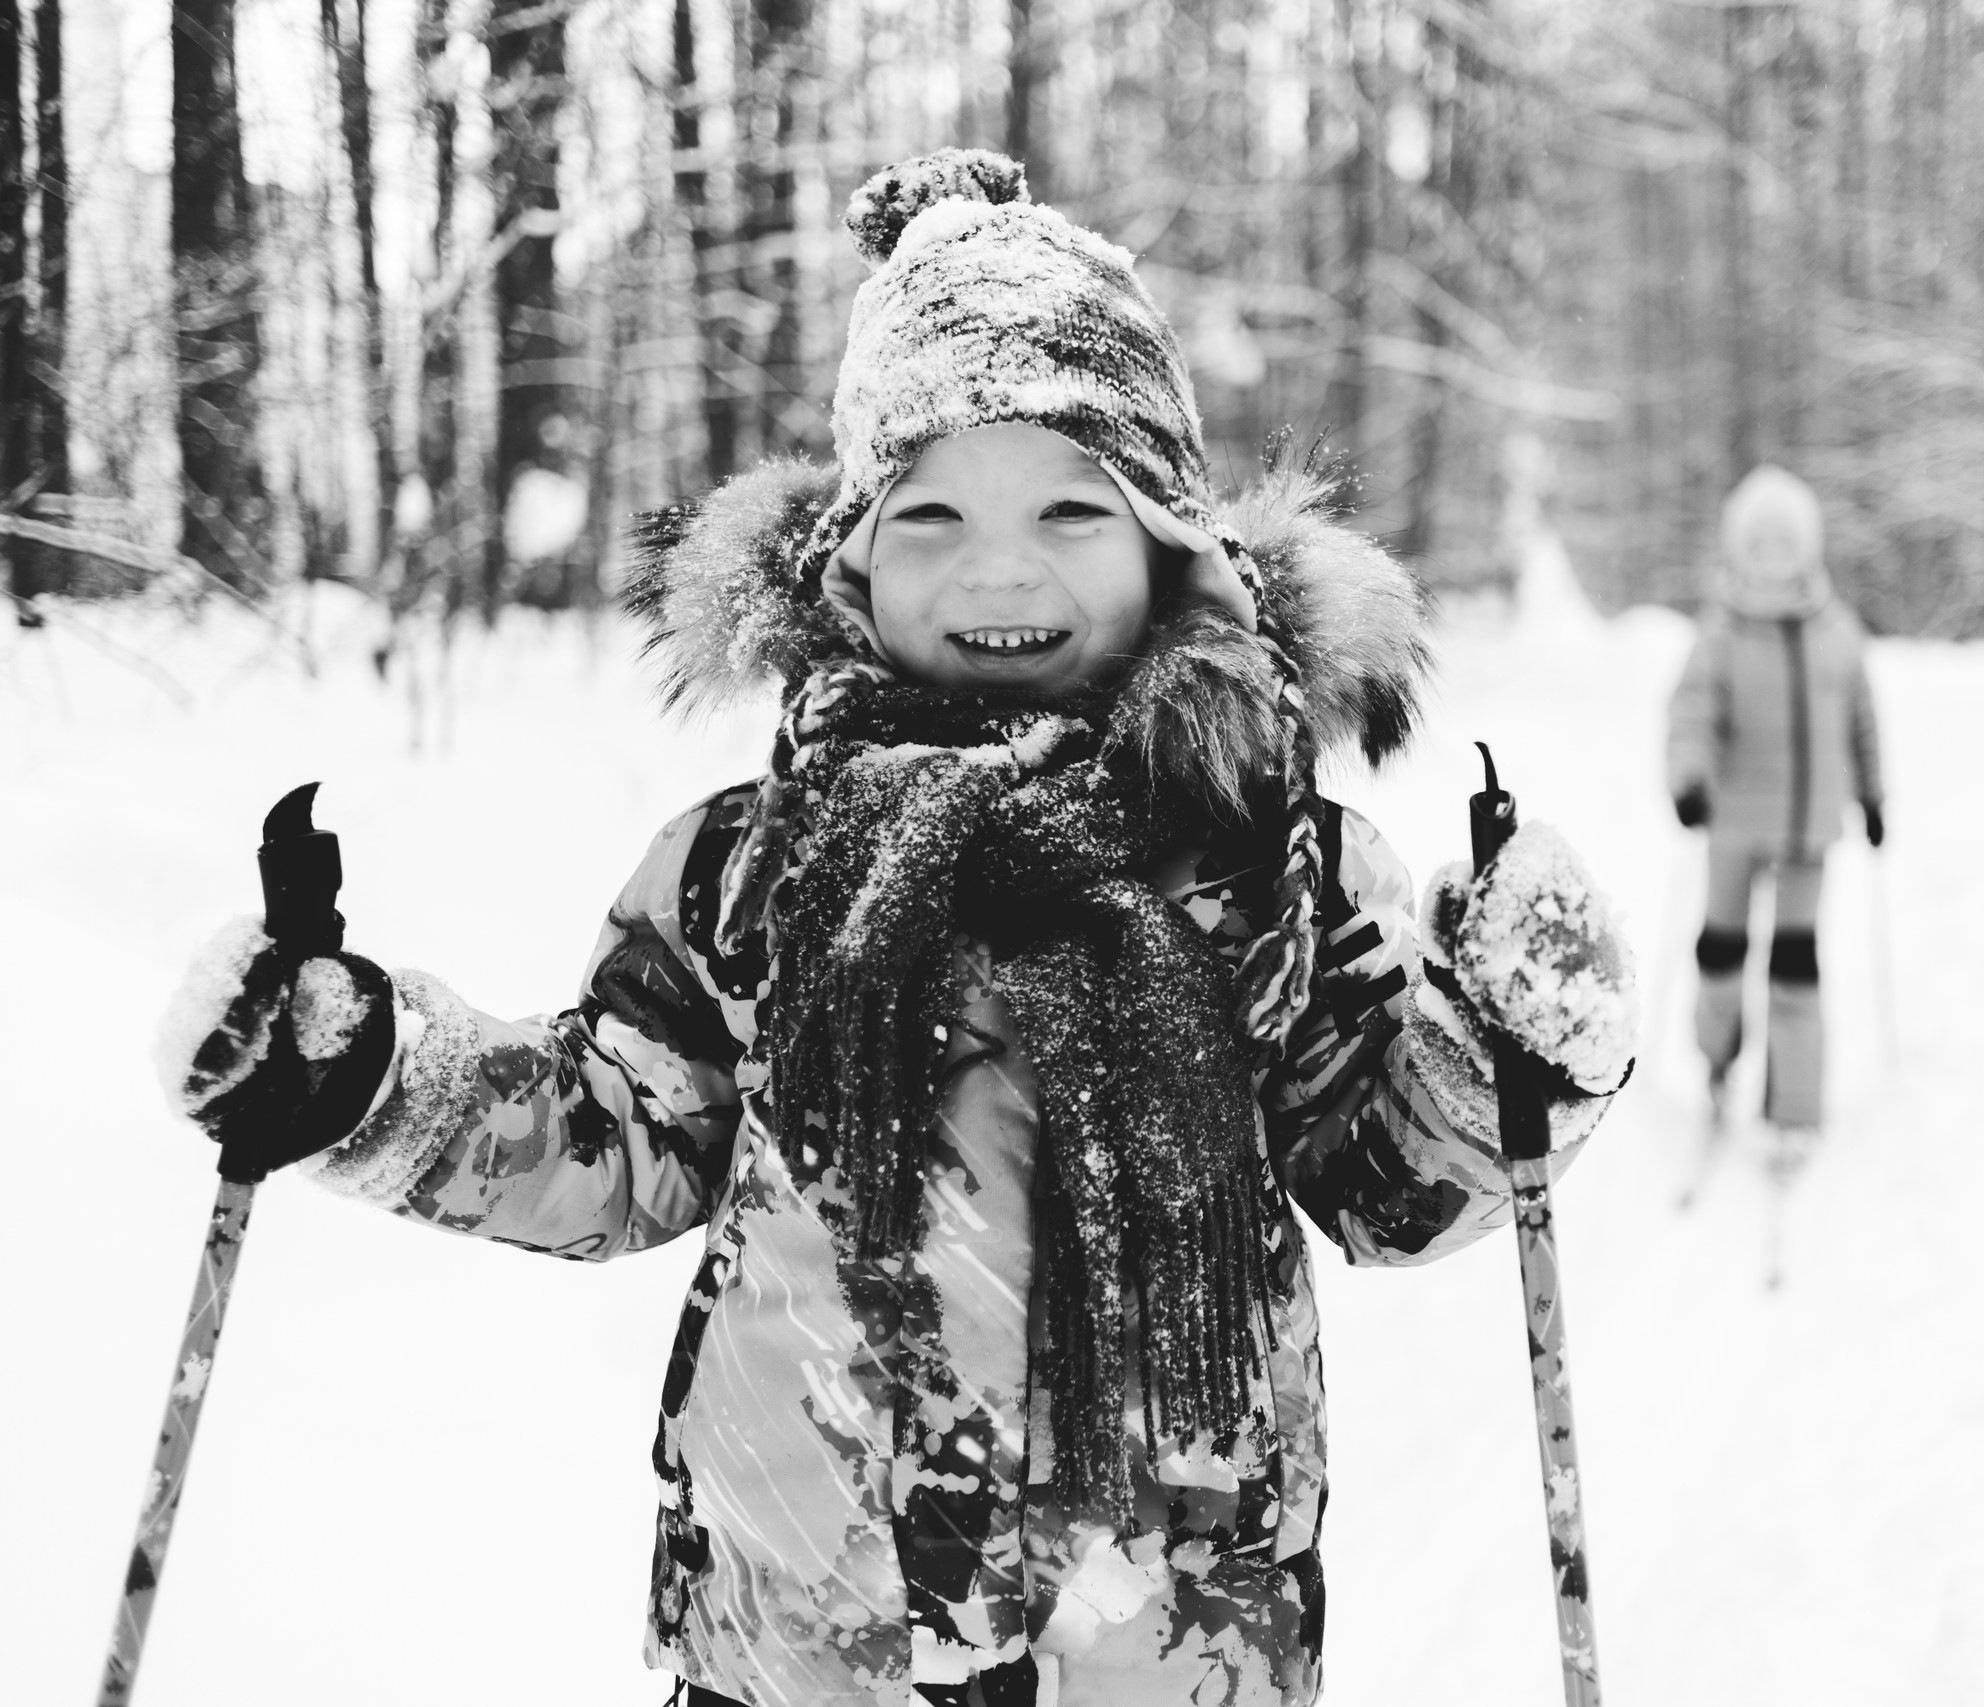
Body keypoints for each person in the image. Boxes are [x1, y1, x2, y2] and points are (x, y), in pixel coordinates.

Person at [155, 151, 1635, 1707]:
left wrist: (1499, 1063)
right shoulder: (752, 864)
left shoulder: (1279, 868)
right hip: (806, 1650)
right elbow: (617, 1134)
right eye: (930, 512)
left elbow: (1387, 1180)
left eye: (1073, 505)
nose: (999, 564)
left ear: (1172, 544)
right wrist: (372, 1078)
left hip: (1165, 1653)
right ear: (851, 557)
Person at [1664, 463, 1883, 1144]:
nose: (1770, 559)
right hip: (1732, 826)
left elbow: (1862, 722)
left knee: (1795, 969)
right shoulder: (1722, 634)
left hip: (1810, 832)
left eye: (1783, 545)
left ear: (1807, 549)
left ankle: (1794, 1109)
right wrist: (1689, 780)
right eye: (1757, 545)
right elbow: (1692, 716)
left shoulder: (1837, 632)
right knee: (1721, 956)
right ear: (1738, 550)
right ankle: (1717, 1060)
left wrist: (1873, 795)